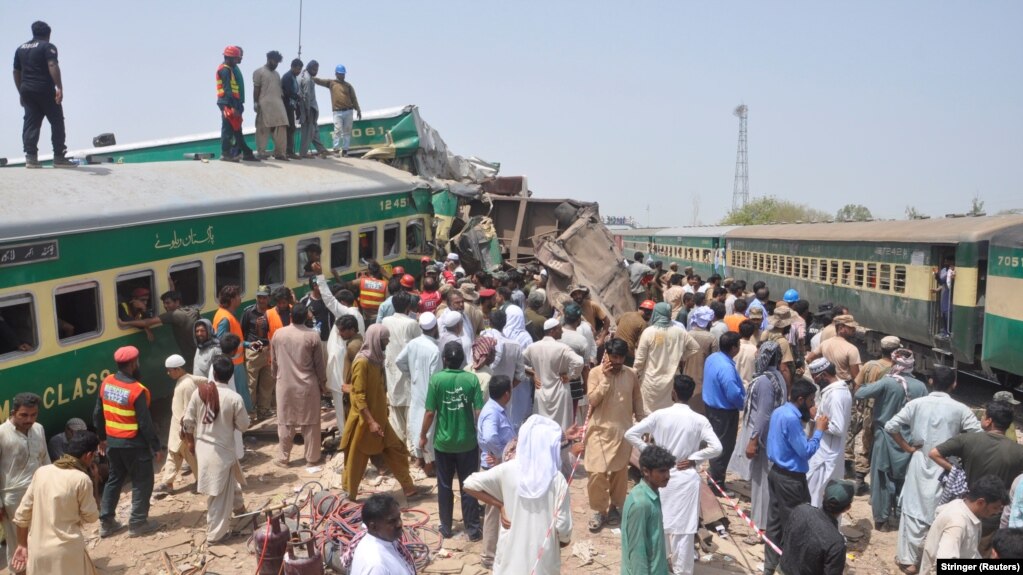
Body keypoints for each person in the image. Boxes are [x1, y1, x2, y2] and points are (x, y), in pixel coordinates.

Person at [885, 365, 981, 573]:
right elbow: (977, 434)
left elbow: (891, 426)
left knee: (912, 509)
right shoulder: (961, 409)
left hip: (920, 461)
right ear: (954, 384)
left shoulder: (916, 404)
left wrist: (908, 448)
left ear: (930, 382)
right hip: (946, 466)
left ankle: (909, 560)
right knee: (940, 510)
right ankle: (933, 558)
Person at [625, 375, 721, 574]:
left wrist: (650, 452)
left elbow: (630, 434)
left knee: (661, 525)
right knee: (684, 531)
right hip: (686, 478)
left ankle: (661, 566)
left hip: (661, 477)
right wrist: (695, 458)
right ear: (691, 393)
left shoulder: (660, 415)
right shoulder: (699, 419)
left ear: (673, 393)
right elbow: (717, 447)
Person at [463, 416, 573, 575]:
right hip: (543, 561)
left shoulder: (507, 470)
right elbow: (563, 529)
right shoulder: (557, 480)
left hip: (509, 559)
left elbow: (469, 484)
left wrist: (499, 504)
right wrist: (560, 542)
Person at [931, 400, 1023, 554]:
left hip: (968, 509)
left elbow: (934, 453)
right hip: (993, 517)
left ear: (989, 421)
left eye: (984, 416)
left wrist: (956, 471)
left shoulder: (968, 439)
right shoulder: (1018, 451)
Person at [341, 325, 418, 500]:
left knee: (396, 450)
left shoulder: (376, 359)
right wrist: (370, 422)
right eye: (385, 339)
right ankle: (349, 494)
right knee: (356, 460)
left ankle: (409, 487)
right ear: (377, 340)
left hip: (380, 419)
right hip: (364, 422)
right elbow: (359, 395)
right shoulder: (362, 362)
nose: (388, 342)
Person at [855, 348, 927, 531]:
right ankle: (901, 514)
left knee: (881, 478)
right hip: (909, 441)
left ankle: (882, 520)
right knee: (904, 478)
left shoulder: (887, 383)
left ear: (895, 364)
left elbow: (859, 393)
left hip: (885, 437)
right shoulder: (921, 387)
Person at [762, 379, 829, 575]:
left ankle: (769, 567)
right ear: (800, 399)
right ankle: (790, 568)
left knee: (774, 523)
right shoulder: (791, 419)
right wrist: (819, 430)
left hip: (776, 473)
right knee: (797, 524)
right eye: (810, 400)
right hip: (791, 480)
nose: (813, 405)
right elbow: (805, 451)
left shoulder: (781, 411)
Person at [94, 346, 163, 538]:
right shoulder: (136, 390)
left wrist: (101, 438)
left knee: (114, 480)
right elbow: (145, 423)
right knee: (142, 481)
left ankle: (107, 523)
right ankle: (138, 523)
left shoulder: (106, 382)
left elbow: (98, 413)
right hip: (134, 445)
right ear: (133, 364)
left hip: (113, 444)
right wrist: (156, 446)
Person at [10, 430, 99, 574]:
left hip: (38, 551)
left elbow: (21, 515)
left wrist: (22, 545)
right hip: (67, 552)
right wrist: (94, 481)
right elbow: (92, 517)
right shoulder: (81, 479)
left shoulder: (42, 472)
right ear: (88, 455)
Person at [182, 357, 250, 543]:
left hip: (203, 448)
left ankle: (239, 508)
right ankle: (215, 534)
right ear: (230, 375)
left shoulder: (199, 393)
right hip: (222, 450)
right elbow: (244, 425)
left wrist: (190, 442)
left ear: (214, 373)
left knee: (228, 481)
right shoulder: (234, 398)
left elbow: (187, 421)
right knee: (217, 494)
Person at [420, 342, 484, 539]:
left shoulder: (436, 380)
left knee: (445, 486)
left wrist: (423, 435)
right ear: (462, 359)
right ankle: (473, 530)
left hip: (443, 444)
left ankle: (446, 528)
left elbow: (430, 412)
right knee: (469, 486)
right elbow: (479, 412)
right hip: (468, 443)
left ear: (444, 359)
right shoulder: (472, 380)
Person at [584, 339, 645, 532]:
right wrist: (606, 379)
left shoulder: (631, 374)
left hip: (623, 432)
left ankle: (614, 508)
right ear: (607, 356)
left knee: (619, 473)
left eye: (621, 358)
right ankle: (598, 510)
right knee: (595, 473)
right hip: (599, 432)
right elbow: (593, 399)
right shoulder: (595, 373)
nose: (617, 361)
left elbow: (637, 400)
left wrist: (643, 426)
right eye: (614, 357)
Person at [727, 341, 787, 537]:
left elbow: (763, 413)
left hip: (763, 439)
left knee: (762, 483)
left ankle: (762, 526)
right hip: (771, 436)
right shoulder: (777, 377)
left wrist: (753, 440)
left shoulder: (764, 381)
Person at [271, 303, 327, 467]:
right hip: (307, 386)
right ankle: (312, 458)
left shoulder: (278, 334)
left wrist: (276, 376)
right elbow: (319, 365)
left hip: (284, 384)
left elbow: (274, 362)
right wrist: (323, 384)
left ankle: (283, 458)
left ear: (290, 317)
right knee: (310, 423)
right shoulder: (313, 336)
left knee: (285, 422)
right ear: (306, 317)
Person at [0, 392, 50, 570]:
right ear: (13, 412)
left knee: (41, 536)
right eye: (24, 415)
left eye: (33, 414)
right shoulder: (2, 434)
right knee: (17, 543)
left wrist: (51, 487)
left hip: (39, 491)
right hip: (13, 496)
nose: (29, 419)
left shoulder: (38, 429)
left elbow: (44, 460)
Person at [13, 21, 74, 168]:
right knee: (57, 120)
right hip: (44, 89)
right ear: (48, 34)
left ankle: (31, 158)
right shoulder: (48, 47)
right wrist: (59, 87)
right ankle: (59, 157)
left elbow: (16, 72)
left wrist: (21, 91)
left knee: (31, 122)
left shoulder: (20, 49)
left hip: (27, 89)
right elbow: (52, 64)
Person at [919, 476, 1009, 575]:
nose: (996, 512)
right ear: (980, 502)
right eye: (995, 507)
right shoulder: (957, 523)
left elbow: (971, 552)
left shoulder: (963, 507)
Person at [845, 335, 900, 490]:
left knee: (866, 445)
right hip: (889, 413)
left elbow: (857, 386)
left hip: (870, 413)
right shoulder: (897, 369)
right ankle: (882, 485)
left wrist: (861, 406)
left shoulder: (870, 365)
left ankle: (860, 479)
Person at [634, 302, 701, 414]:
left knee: (648, 413)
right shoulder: (680, 331)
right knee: (668, 412)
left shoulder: (649, 332)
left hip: (651, 380)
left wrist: (635, 375)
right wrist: (681, 357)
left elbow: (640, 360)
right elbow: (695, 348)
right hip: (671, 381)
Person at [476, 375, 515, 567]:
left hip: (499, 466)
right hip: (495, 467)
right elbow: (490, 436)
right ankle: (488, 556)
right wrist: (500, 454)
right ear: (507, 393)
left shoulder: (498, 408)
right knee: (493, 511)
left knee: (500, 509)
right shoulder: (492, 412)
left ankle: (496, 551)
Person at [397, 312, 442, 475]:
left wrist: (411, 377)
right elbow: (436, 379)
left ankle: (419, 459)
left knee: (416, 424)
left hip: (416, 390)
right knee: (429, 427)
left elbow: (399, 361)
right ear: (435, 328)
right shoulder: (434, 350)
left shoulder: (413, 343)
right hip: (429, 393)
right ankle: (429, 464)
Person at [620, 445, 675, 575]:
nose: (667, 476)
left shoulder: (652, 494)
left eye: (668, 471)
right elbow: (637, 552)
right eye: (662, 471)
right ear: (646, 471)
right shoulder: (641, 503)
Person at [779, 480, 854, 575]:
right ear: (848, 508)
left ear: (823, 495)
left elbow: (784, 542)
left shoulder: (800, 510)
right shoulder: (836, 543)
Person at [805, 358, 852, 508]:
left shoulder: (836, 395)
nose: (815, 381)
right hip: (825, 452)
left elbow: (838, 428)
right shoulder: (834, 391)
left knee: (816, 497)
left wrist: (815, 417)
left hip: (826, 456)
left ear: (824, 375)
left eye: (816, 378)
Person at [702, 332, 745, 491]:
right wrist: (743, 404)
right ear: (733, 347)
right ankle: (716, 484)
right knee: (723, 447)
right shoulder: (726, 368)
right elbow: (733, 393)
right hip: (724, 412)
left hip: (711, 407)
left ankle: (714, 475)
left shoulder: (712, 358)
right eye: (738, 345)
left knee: (714, 442)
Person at [524, 318, 584, 431]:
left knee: (542, 428)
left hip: (541, 393)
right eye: (560, 329)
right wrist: (571, 376)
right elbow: (579, 362)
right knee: (562, 428)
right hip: (560, 393)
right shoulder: (562, 348)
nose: (562, 332)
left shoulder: (533, 347)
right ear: (553, 330)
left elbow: (519, 362)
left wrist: (532, 373)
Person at [154, 354, 201, 498]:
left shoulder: (186, 385)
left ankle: (201, 480)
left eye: (170, 370)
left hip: (183, 429)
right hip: (178, 428)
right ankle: (168, 483)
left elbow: (188, 410)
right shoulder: (184, 380)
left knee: (189, 455)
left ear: (178, 369)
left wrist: (186, 431)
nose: (168, 373)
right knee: (174, 453)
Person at [120, 291, 202, 370]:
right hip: (201, 351)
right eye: (164, 304)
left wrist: (124, 323)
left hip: (192, 355)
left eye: (168, 303)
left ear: (177, 302)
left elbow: (146, 322)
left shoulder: (174, 315)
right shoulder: (191, 310)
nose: (165, 306)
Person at [383, 292, 423, 451]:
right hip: (408, 370)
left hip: (391, 367)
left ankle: (398, 448)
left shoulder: (386, 320)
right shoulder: (411, 324)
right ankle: (411, 448)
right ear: (408, 307)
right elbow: (420, 343)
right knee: (409, 410)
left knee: (395, 409)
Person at [213, 285, 258, 412]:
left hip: (235, 363)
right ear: (232, 299)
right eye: (238, 296)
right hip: (233, 364)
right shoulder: (225, 319)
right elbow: (222, 343)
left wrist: (248, 344)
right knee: (239, 394)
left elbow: (233, 339)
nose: (240, 298)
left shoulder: (225, 314)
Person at [346, 494, 416, 575]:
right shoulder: (376, 566)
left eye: (399, 517)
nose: (399, 524)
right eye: (392, 521)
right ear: (373, 527)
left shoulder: (387, 540)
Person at [215, 46, 257, 162]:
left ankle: (247, 153)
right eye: (237, 58)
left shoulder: (230, 69)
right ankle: (225, 153)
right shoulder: (225, 70)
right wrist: (233, 107)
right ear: (229, 58)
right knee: (228, 129)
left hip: (233, 103)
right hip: (227, 104)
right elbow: (228, 90)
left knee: (236, 129)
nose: (239, 60)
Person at [326, 314, 363, 434]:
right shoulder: (354, 341)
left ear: (352, 330)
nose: (339, 334)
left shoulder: (353, 346)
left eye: (342, 330)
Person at [241, 286, 274, 420]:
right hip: (254, 350)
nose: (261, 300)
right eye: (259, 297)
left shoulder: (272, 312)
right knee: (251, 383)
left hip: (269, 349)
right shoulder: (249, 312)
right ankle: (250, 411)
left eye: (264, 297)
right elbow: (242, 331)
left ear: (269, 298)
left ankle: (264, 410)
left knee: (267, 382)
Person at [314, 64, 362, 156]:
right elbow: (319, 81)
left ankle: (345, 151)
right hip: (337, 112)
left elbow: (354, 98)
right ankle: (336, 149)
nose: (342, 76)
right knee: (337, 131)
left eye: (343, 74)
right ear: (336, 74)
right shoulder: (331, 83)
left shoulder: (348, 86)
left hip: (348, 111)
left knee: (347, 131)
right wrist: (311, 77)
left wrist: (358, 110)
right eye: (340, 74)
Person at [252, 51, 289, 160]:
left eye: (278, 62)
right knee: (262, 129)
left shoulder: (277, 74)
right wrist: (255, 102)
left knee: (281, 128)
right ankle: (261, 152)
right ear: (269, 59)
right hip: (264, 105)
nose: (276, 64)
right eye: (275, 61)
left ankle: (280, 153)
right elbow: (256, 88)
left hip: (278, 105)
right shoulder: (259, 72)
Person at [683, 305, 718, 415]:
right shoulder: (711, 338)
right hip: (703, 380)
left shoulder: (686, 335)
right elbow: (714, 362)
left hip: (685, 377)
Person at [808, 314, 862, 384]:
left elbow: (809, 359)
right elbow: (856, 377)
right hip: (844, 385)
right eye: (850, 327)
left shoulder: (825, 343)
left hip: (828, 383)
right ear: (840, 328)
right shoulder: (852, 349)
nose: (854, 330)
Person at [297, 60, 329, 158]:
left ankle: (321, 150)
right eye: (314, 69)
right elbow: (306, 95)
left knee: (313, 130)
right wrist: (307, 111)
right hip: (309, 109)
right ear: (309, 67)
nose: (316, 71)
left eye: (317, 69)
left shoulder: (303, 75)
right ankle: (303, 153)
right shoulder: (307, 79)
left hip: (308, 108)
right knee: (307, 132)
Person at [615, 299, 653, 366]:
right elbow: (640, 344)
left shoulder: (626, 314)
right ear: (648, 313)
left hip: (614, 345)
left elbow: (617, 322)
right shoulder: (643, 324)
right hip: (627, 352)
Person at [280, 57, 302, 159]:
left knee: (291, 128)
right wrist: (297, 97)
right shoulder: (288, 77)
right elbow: (288, 92)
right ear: (292, 67)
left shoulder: (293, 77)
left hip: (291, 106)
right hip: (286, 105)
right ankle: (288, 151)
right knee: (290, 128)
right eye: (297, 69)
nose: (299, 71)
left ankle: (289, 150)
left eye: (300, 70)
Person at [734, 320, 757, 385]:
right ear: (752, 333)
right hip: (749, 388)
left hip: (734, 386)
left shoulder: (732, 348)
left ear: (739, 331)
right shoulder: (755, 350)